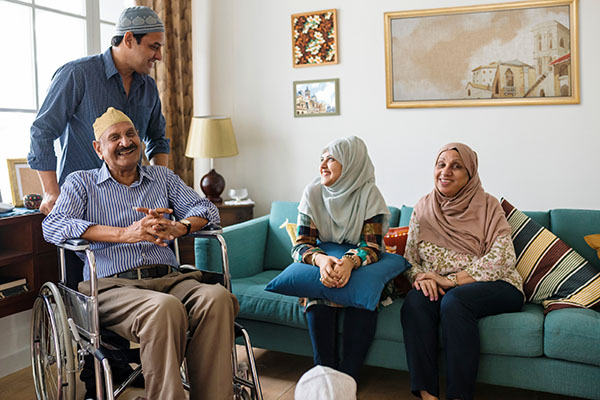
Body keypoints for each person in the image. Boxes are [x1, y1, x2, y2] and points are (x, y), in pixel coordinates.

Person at [43, 107, 239, 400]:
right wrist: (124, 233)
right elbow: (54, 225)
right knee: (164, 308)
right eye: (115, 137)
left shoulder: (162, 178)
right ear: (99, 149)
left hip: (171, 279)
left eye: (131, 134)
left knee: (217, 298)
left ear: (141, 141)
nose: (125, 142)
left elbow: (207, 210)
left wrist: (180, 227)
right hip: (111, 286)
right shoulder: (81, 183)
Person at [400, 143, 524, 400]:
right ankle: (427, 395)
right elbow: (409, 260)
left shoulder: (489, 205)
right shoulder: (423, 208)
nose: (446, 171)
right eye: (441, 164)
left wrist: (449, 281)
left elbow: (503, 257)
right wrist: (423, 280)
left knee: (455, 302)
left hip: (497, 284)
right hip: (441, 285)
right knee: (415, 302)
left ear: (471, 174)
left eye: (456, 166)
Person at [28, 6, 170, 215]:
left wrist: (161, 185)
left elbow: (157, 140)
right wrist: (50, 192)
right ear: (129, 39)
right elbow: (42, 131)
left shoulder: (148, 87)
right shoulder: (77, 74)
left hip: (134, 205)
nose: (159, 56)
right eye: (154, 47)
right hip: (82, 205)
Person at [292, 136, 390, 381]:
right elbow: (301, 245)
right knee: (319, 297)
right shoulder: (313, 192)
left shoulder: (369, 194)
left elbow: (372, 245)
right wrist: (323, 262)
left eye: (331, 159)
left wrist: (349, 262)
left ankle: (348, 379)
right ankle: (325, 377)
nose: (323, 165)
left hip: (361, 262)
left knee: (361, 299)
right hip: (324, 261)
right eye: (321, 159)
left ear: (351, 163)